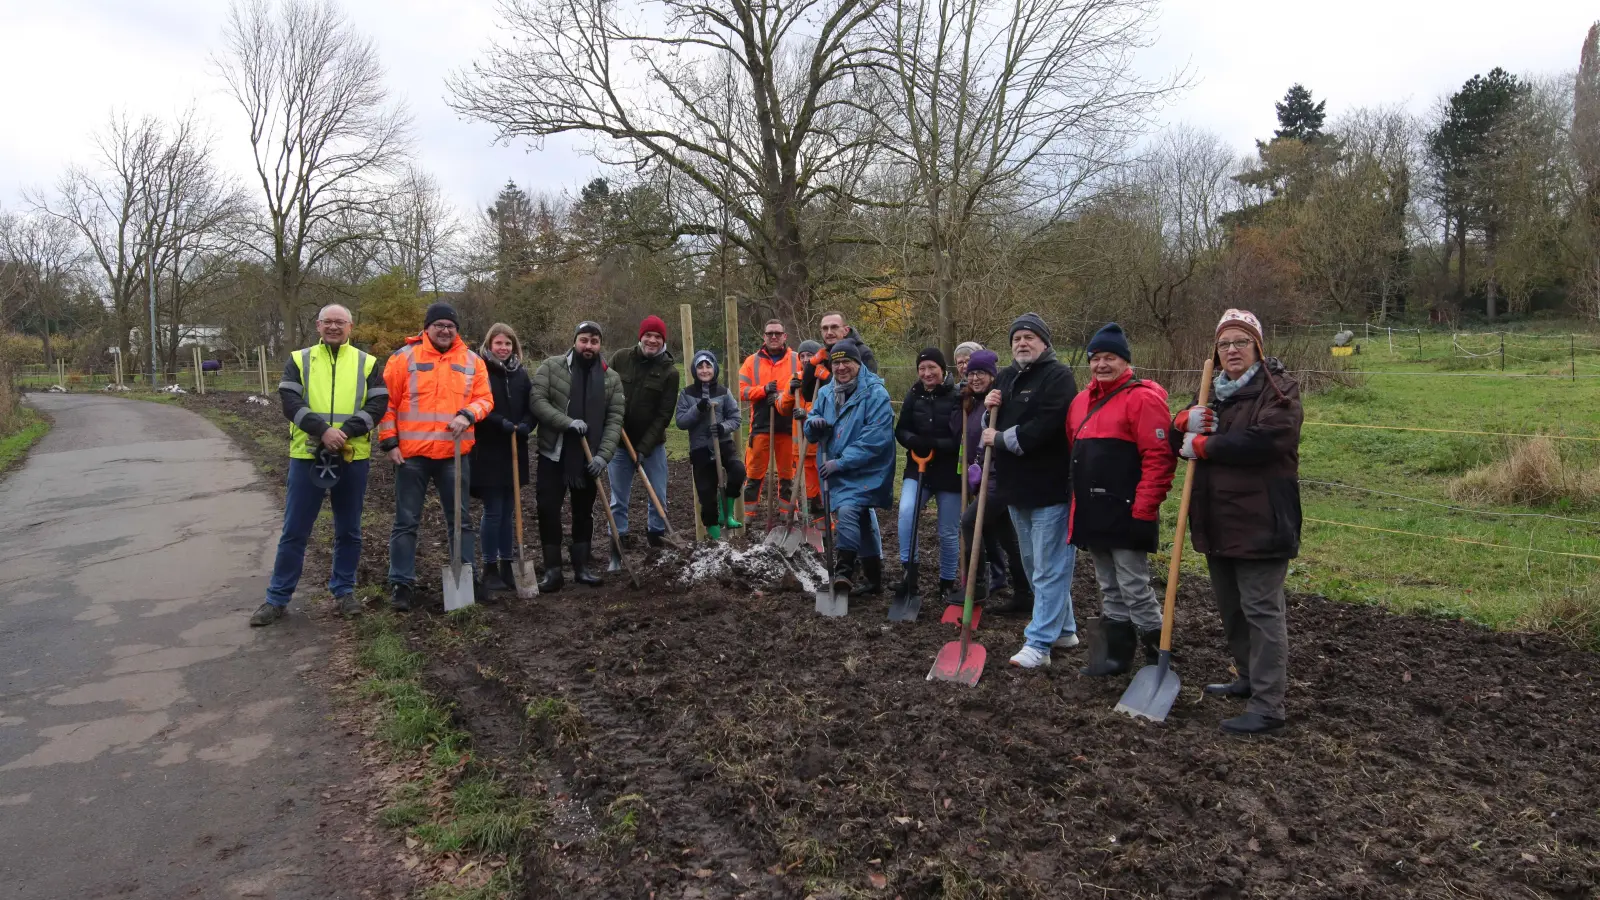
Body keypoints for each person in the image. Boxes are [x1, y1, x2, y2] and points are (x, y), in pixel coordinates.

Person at [1173, 309, 1303, 735]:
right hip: (1218, 519)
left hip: (1262, 520)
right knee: (1232, 609)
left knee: (1262, 612)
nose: (1232, 350)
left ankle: (1268, 706)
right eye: (1224, 343)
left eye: (1241, 342)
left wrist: (1207, 446)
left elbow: (1267, 440)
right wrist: (1181, 423)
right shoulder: (1212, 391)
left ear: (1258, 347)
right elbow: (1181, 440)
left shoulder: (1278, 390)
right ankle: (1248, 678)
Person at [250, 304, 388, 626]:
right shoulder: (299, 360)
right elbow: (289, 401)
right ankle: (277, 598)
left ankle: (344, 592)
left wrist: (345, 432)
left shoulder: (367, 362)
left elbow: (378, 404)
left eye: (340, 322)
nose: (334, 327)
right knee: (295, 530)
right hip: (307, 455)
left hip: (352, 456)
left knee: (349, 530)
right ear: (318, 325)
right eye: (328, 322)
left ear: (350, 327)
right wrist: (323, 431)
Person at [1067, 323, 1177, 677]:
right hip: (1092, 511)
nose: (1101, 364)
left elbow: (1159, 458)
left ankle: (1157, 661)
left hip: (1128, 510)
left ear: (1125, 361)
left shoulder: (1143, 399)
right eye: (1095, 358)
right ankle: (1117, 657)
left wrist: (1144, 509)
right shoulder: (1080, 402)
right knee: (1108, 586)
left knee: (1134, 586)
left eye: (1110, 357)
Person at [376, 302, 494, 611]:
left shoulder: (472, 361)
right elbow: (386, 403)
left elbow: (485, 398)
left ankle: (466, 577)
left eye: (450, 326)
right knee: (406, 521)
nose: (444, 330)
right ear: (427, 328)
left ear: (457, 330)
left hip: (454, 455)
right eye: (439, 325)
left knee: (461, 521)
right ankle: (401, 583)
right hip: (411, 456)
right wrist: (389, 442)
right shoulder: (403, 358)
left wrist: (468, 414)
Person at [982, 312, 1078, 669]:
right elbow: (992, 424)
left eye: (1029, 337)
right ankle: (1065, 630)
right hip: (1016, 489)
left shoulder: (1059, 377)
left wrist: (999, 438)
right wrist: (988, 410)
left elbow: (1044, 427)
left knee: (1049, 568)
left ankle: (1039, 643)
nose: (1022, 343)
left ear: (1044, 342)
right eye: (1016, 339)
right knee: (1035, 564)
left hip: (1050, 488)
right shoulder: (1006, 377)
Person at [530, 321, 626, 591]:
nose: (588, 346)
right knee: (548, 508)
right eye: (584, 340)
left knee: (583, 512)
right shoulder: (551, 367)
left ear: (600, 345)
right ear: (574, 341)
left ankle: (582, 567)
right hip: (554, 453)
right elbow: (537, 401)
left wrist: (602, 457)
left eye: (594, 341)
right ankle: (553, 571)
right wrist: (567, 422)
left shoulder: (610, 378)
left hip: (588, 457)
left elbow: (614, 421)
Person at [804, 339, 895, 595]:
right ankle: (874, 579)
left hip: (866, 470)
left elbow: (875, 438)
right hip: (837, 469)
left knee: (847, 511)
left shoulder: (875, 394)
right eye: (836, 363)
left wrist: (841, 462)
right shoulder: (826, 393)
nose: (841, 367)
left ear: (858, 363)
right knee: (861, 518)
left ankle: (844, 571)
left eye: (847, 362)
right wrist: (814, 424)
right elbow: (811, 422)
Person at [956, 349, 1030, 615]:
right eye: (971, 373)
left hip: (999, 477)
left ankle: (976, 586)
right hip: (986, 477)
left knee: (969, 522)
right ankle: (1024, 593)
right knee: (1009, 539)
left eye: (981, 373)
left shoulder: (1000, 399)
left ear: (992, 375)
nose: (975, 378)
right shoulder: (972, 402)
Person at [894, 347, 963, 603]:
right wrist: (913, 441)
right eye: (922, 368)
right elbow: (901, 430)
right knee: (906, 512)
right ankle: (909, 575)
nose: (927, 373)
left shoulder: (957, 396)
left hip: (949, 472)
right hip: (918, 467)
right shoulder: (914, 394)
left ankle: (947, 582)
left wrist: (934, 444)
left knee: (947, 530)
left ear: (943, 369)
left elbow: (961, 438)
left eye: (932, 367)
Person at [469, 323, 534, 595]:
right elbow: (476, 405)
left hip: (515, 448)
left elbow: (531, 404)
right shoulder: (480, 371)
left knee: (509, 510)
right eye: (498, 343)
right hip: (489, 449)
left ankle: (508, 563)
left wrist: (528, 424)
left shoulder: (520, 374)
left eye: (508, 343)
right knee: (494, 510)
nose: (503, 348)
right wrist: (500, 422)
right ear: (489, 345)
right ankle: (490, 566)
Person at [608, 315, 679, 556]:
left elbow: (663, 416)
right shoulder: (621, 358)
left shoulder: (670, 372)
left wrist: (644, 448)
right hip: (619, 443)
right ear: (641, 336)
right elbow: (605, 390)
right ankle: (617, 545)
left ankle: (656, 544)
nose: (652, 340)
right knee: (618, 499)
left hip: (653, 446)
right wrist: (612, 422)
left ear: (663, 341)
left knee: (658, 496)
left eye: (658, 337)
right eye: (648, 335)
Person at [675, 350, 745, 539]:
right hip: (700, 449)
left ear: (714, 368)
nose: (705, 370)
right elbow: (681, 422)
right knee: (706, 493)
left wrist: (723, 427)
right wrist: (697, 409)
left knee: (738, 470)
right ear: (694, 370)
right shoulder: (687, 394)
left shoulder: (723, 392)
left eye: (708, 366)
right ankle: (715, 537)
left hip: (723, 444)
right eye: (700, 366)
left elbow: (736, 418)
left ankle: (726, 514)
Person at [739, 319, 801, 528]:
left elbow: (806, 387)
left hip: (789, 426)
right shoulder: (751, 362)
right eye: (769, 333)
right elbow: (741, 390)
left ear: (784, 336)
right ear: (764, 336)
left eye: (777, 333)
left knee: (788, 474)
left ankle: (788, 513)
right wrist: (763, 390)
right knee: (753, 472)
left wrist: (784, 395)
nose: (774, 336)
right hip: (761, 425)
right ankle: (747, 515)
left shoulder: (796, 360)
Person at [796, 339, 824, 524]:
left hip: (820, 447)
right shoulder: (796, 379)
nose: (806, 359)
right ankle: (812, 528)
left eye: (810, 355)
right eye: (802, 356)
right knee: (809, 493)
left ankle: (829, 529)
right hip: (802, 448)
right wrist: (789, 392)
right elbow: (783, 407)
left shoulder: (824, 378)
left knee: (824, 494)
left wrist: (806, 413)